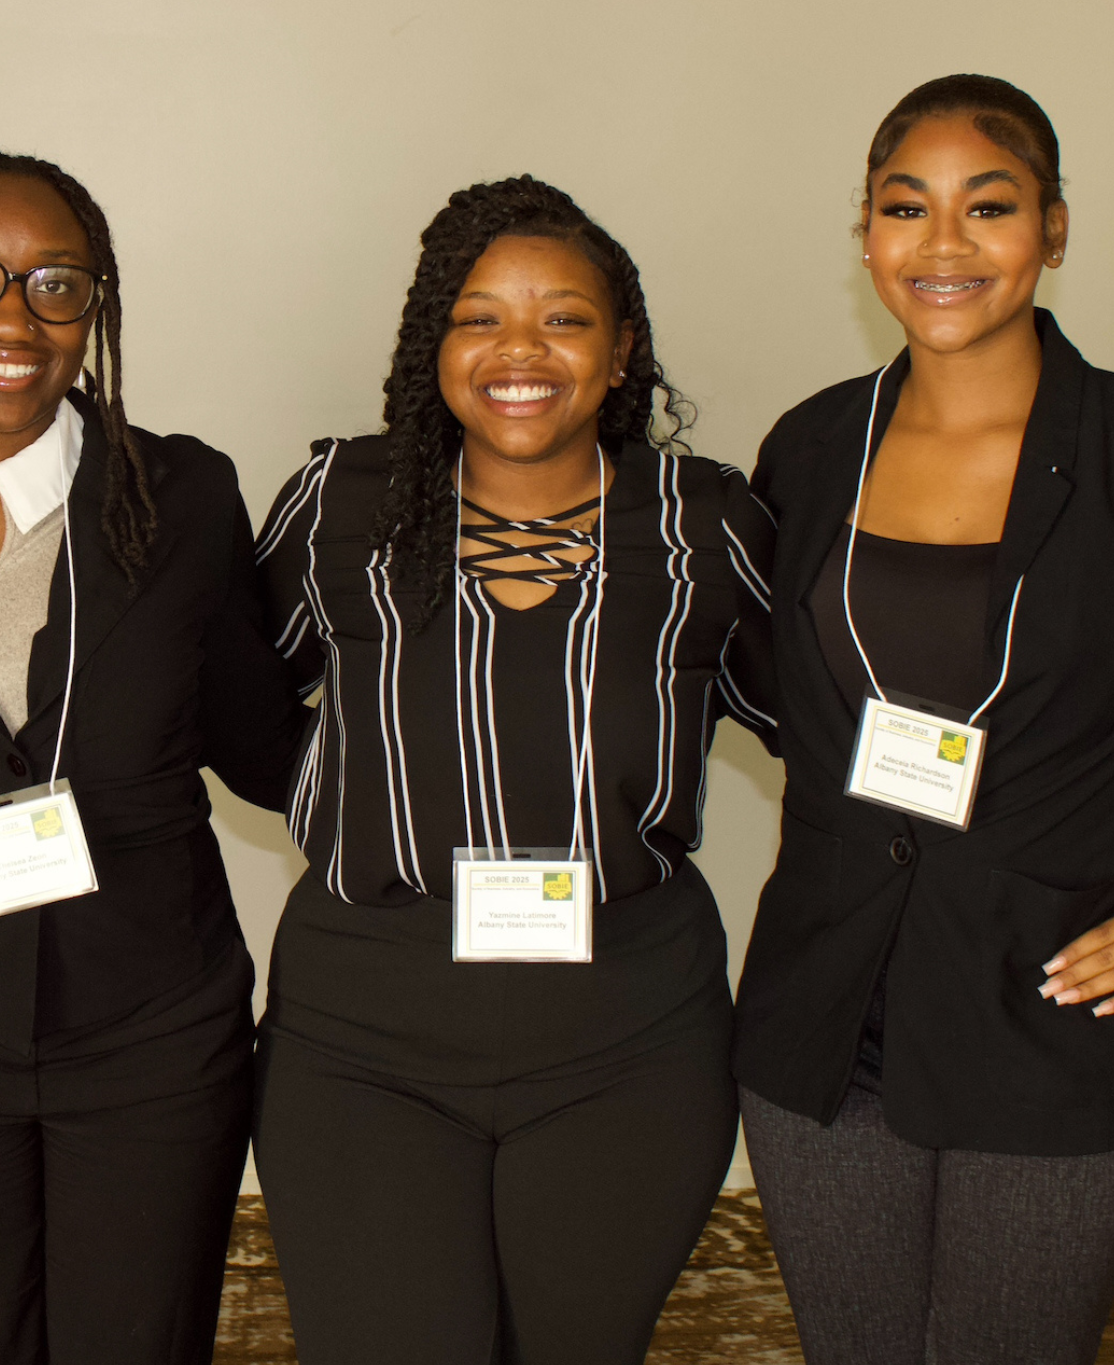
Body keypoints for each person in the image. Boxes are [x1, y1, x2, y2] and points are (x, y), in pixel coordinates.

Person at [733, 73, 1114, 1364]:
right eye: (904, 207)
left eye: (987, 207)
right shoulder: (813, 447)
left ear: (1054, 229)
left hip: (1051, 1028)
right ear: (866, 235)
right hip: (819, 1028)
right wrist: (1070, 773)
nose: (942, 246)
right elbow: (798, 706)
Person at [249, 175, 779, 1362]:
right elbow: (232, 703)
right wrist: (358, 801)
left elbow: (834, 718)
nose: (518, 350)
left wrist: (1086, 781)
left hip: (627, 1034)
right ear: (431, 340)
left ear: (621, 345)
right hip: (364, 1037)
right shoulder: (343, 502)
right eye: (477, 315)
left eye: (564, 317)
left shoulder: (704, 524)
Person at [0, 149, 304, 1365]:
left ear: (96, 311)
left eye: (55, 285)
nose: (9, 318)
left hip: (149, 1037)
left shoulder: (181, 497)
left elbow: (265, 746)